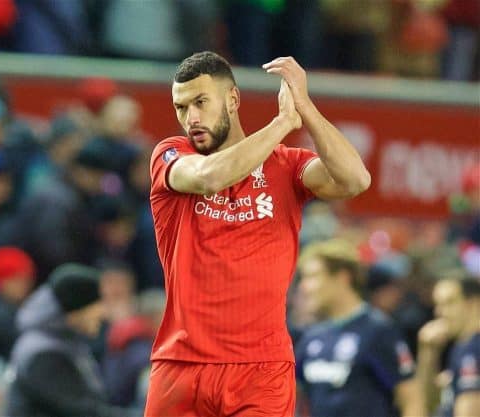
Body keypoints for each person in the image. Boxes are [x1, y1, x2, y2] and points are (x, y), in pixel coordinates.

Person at [146, 51, 371, 416]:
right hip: (181, 367)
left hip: (261, 371)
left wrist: (305, 109)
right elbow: (210, 177)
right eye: (181, 107)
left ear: (233, 99)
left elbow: (355, 179)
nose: (192, 118)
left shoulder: (287, 166)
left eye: (201, 102)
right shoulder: (171, 154)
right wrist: (283, 122)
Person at [295, 239, 424, 417]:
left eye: (313, 276)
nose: (304, 286)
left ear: (342, 277)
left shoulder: (378, 331)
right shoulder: (313, 337)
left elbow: (411, 401)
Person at [6, 263, 139, 417]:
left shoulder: (62, 340)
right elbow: (82, 412)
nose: (103, 312)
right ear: (76, 308)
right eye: (98, 303)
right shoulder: (43, 353)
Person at [416, 276, 480, 417]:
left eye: (449, 303)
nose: (439, 312)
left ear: (473, 303)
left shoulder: (472, 351)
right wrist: (428, 352)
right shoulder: (461, 347)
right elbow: (428, 402)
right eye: (437, 304)